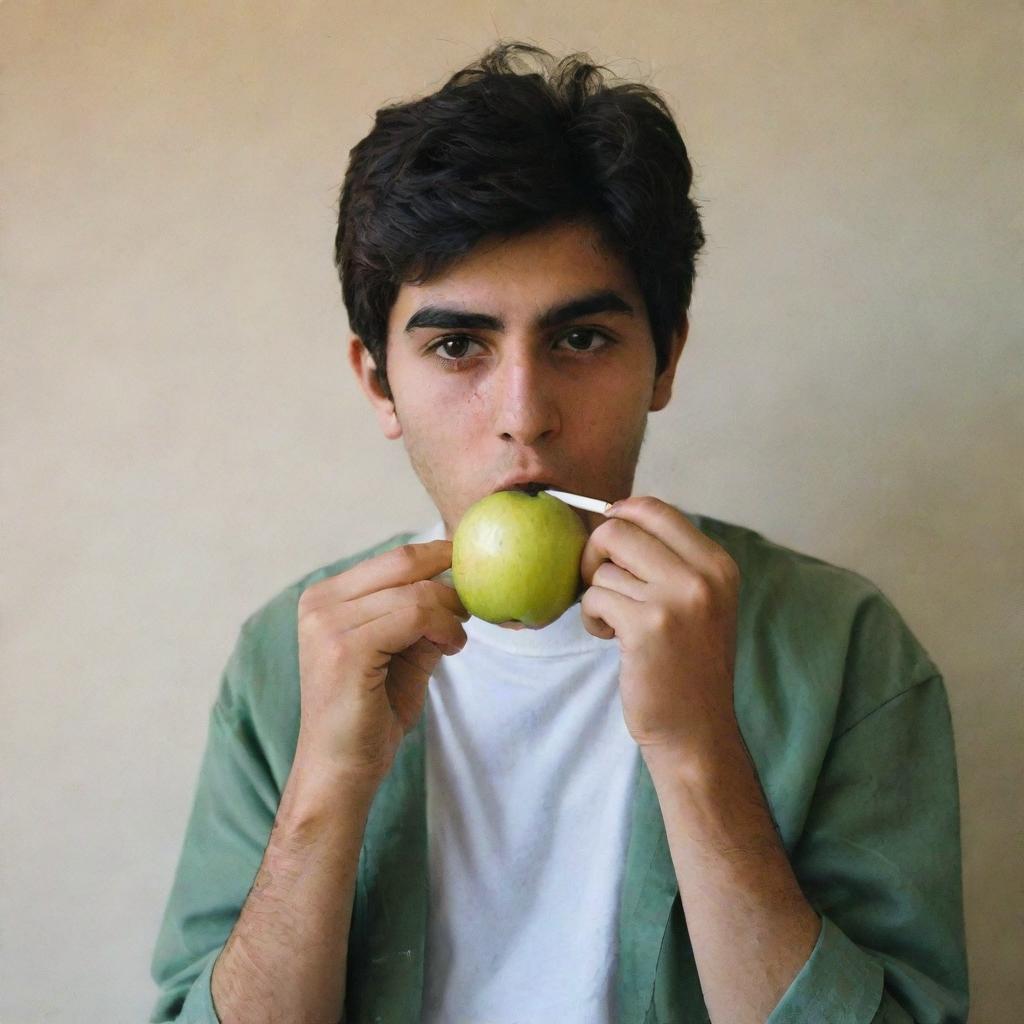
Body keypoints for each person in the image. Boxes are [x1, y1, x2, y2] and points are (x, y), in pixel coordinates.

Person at [148, 42, 968, 1024]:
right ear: (379, 384)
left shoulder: (844, 647)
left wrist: (698, 749)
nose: (523, 415)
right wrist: (328, 783)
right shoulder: (293, 654)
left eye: (580, 339)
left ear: (664, 360)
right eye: (458, 346)